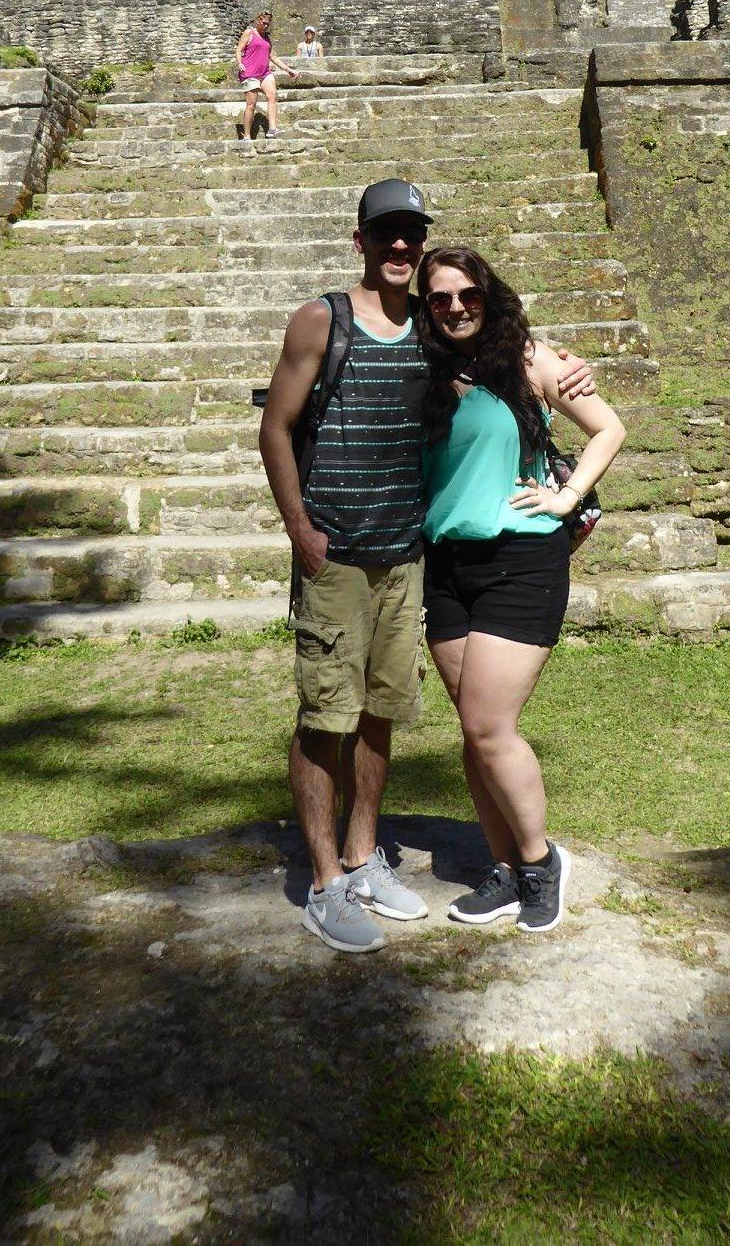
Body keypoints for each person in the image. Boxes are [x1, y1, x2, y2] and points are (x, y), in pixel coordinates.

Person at [258, 184, 602, 954]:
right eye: (385, 233)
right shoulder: (323, 320)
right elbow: (275, 426)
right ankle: (325, 882)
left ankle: (362, 855)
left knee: (381, 711)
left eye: (410, 234)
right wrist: (298, 527)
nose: (399, 246)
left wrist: (567, 369)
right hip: (335, 550)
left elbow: (509, 347)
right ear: (360, 240)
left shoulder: (432, 326)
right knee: (326, 715)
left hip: (409, 554)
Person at [415, 246, 626, 933]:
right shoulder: (421, 367)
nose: (455, 308)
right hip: (447, 563)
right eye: (440, 298)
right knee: (474, 734)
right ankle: (503, 868)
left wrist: (567, 497)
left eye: (467, 294)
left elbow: (609, 428)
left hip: (520, 558)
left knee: (489, 726)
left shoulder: (533, 359)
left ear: (488, 294)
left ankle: (539, 863)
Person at [233, 11, 298, 140]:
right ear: (258, 21)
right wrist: (240, 63)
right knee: (251, 105)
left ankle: (272, 129)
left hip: (265, 73)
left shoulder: (267, 38)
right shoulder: (249, 33)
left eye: (268, 24)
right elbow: (239, 49)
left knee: (272, 95)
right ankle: (247, 135)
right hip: (250, 73)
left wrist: (288, 69)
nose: (266, 26)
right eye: (264, 23)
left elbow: (273, 56)